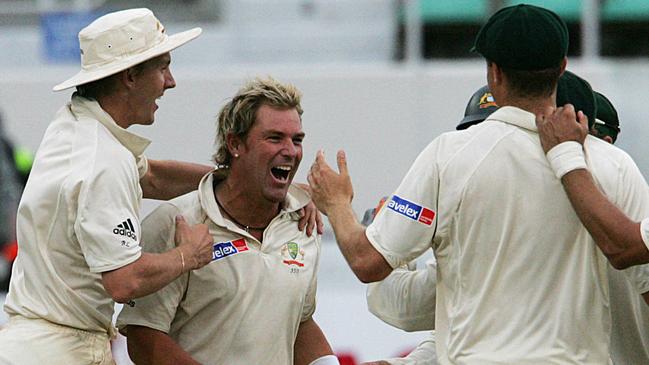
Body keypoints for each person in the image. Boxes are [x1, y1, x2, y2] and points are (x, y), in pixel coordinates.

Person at [308, 4, 649, 363]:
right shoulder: (614, 165)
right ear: (562, 67)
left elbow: (368, 262)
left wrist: (337, 206)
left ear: (494, 73)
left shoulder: (449, 155)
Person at [0, 8, 222, 364]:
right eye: (163, 66)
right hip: (63, 352)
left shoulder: (75, 122)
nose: (171, 81)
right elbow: (124, 281)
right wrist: (187, 255)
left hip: (29, 342)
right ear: (131, 76)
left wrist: (230, 180)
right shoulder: (104, 162)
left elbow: (151, 177)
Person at [117, 77, 338, 365]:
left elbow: (299, 322)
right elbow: (142, 336)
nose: (291, 151)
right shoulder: (177, 222)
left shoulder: (303, 225)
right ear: (235, 143)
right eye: (274, 138)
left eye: (297, 140)